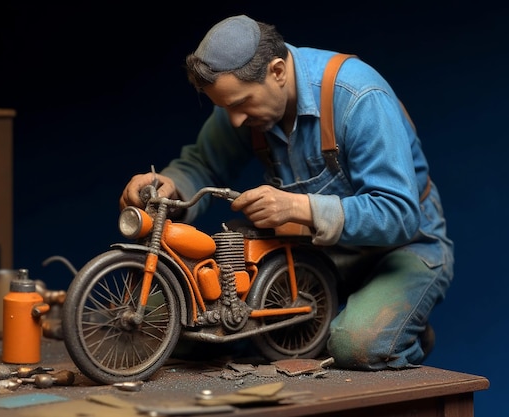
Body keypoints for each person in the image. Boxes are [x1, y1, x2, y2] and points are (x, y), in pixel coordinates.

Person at [119, 15, 453, 371]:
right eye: (224, 107)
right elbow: (202, 164)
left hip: (402, 248)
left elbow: (399, 213)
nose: (234, 120)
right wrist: (170, 185)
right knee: (173, 322)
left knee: (355, 346)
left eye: (240, 104)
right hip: (312, 253)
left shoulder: (359, 98)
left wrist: (297, 206)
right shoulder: (244, 105)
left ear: (277, 71)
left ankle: (400, 330)